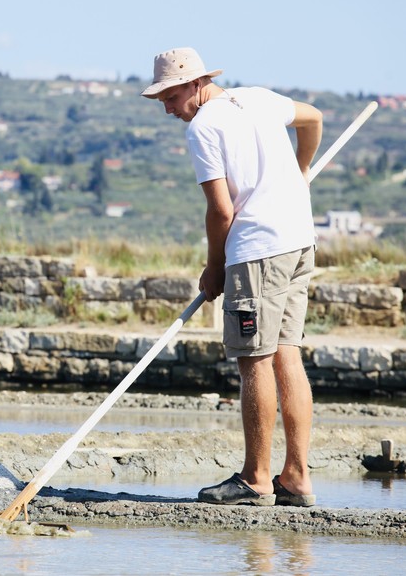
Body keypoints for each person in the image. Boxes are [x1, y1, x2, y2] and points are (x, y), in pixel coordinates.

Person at [141, 47, 322, 507]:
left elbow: (221, 211)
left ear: (196, 83)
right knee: (286, 355)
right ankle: (297, 478)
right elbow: (314, 118)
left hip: (257, 250)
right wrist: (301, 170)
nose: (167, 108)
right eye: (161, 99)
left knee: (254, 360)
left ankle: (256, 479)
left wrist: (215, 267)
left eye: (170, 96)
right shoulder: (258, 98)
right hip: (299, 241)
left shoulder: (204, 127)